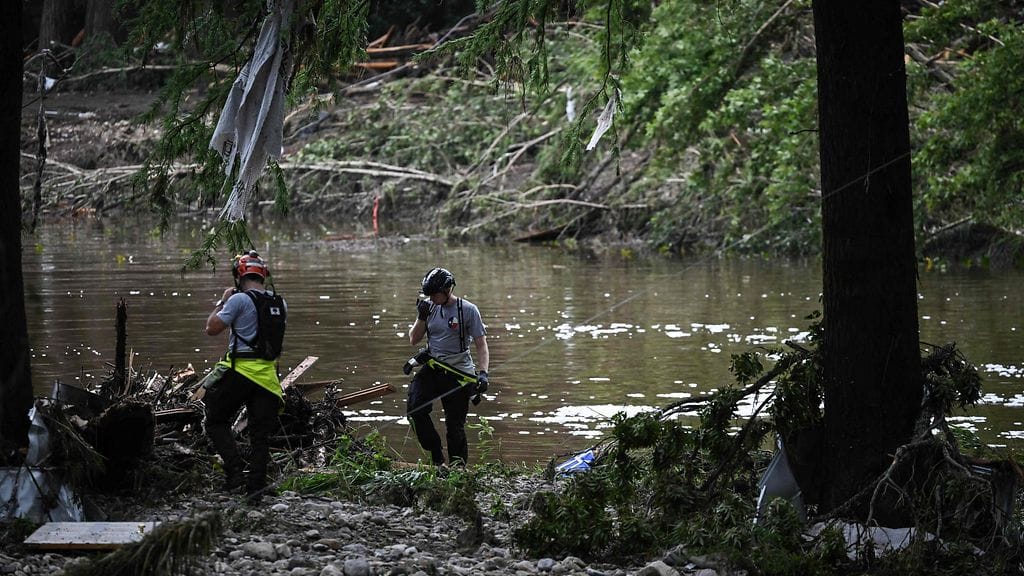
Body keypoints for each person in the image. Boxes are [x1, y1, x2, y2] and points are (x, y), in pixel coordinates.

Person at [190, 250, 286, 504]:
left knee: (214, 420)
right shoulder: (280, 303)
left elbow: (211, 329)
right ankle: (256, 489)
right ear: (263, 275)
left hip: (241, 371)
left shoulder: (238, 301)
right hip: (267, 376)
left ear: (238, 276)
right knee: (260, 436)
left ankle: (234, 474)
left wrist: (222, 301)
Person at [406, 267, 490, 467]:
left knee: (455, 426)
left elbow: (481, 344)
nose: (431, 298)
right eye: (429, 295)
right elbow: (413, 339)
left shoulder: (468, 310)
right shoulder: (428, 307)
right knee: (415, 409)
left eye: (434, 294)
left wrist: (484, 373)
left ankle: (457, 468)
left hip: (458, 374)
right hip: (433, 367)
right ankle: (436, 455)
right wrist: (421, 317)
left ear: (447, 290)